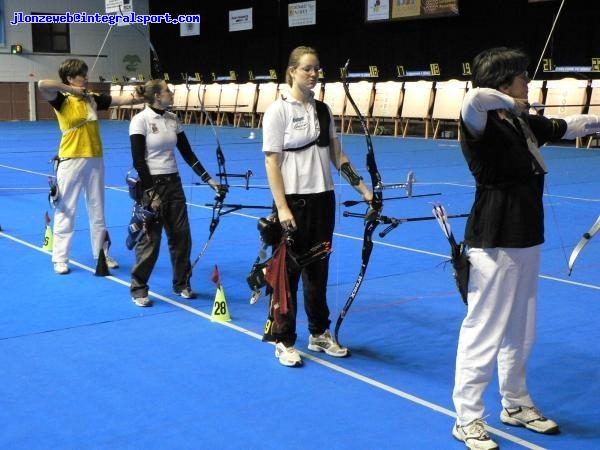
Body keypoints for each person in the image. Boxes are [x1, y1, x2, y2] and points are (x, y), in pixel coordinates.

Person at [452, 47, 600, 450]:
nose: (528, 84)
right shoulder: (480, 122)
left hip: (526, 238)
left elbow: (570, 125)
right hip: (492, 241)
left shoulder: (520, 123)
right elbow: (473, 98)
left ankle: (515, 403)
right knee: (483, 331)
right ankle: (467, 418)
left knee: (522, 330)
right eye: (522, 77)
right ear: (504, 84)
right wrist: (510, 101)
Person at [262, 46, 374, 367]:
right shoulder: (278, 111)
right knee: (287, 273)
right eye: (307, 69)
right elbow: (272, 162)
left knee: (318, 269)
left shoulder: (323, 111)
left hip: (323, 199)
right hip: (292, 202)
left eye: (316, 69)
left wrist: (364, 188)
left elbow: (338, 156)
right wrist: (282, 207)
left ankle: (319, 331)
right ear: (292, 71)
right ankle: (283, 339)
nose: (313, 75)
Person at [39, 58, 144, 275]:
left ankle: (101, 254)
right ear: (69, 78)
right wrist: (71, 90)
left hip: (95, 160)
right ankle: (60, 258)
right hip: (71, 160)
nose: (86, 77)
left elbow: (121, 100)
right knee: (66, 210)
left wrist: (140, 94)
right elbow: (42, 84)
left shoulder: (92, 98)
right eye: (81, 74)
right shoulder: (62, 99)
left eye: (85, 74)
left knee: (97, 211)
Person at [128, 79, 222, 307]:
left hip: (174, 184)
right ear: (157, 96)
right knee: (151, 239)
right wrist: (151, 193)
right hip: (152, 185)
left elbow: (188, 154)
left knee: (181, 236)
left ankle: (182, 283)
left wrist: (208, 179)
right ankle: (139, 287)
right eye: (167, 91)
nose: (171, 94)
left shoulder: (172, 119)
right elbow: (139, 162)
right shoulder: (140, 121)